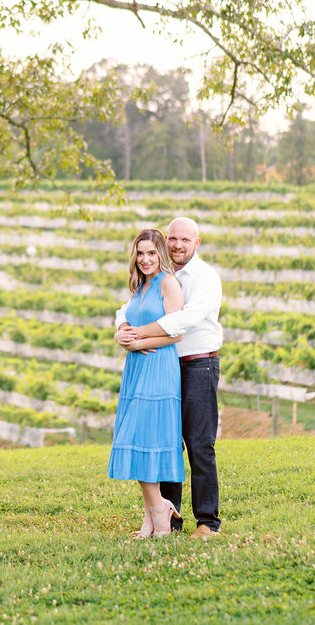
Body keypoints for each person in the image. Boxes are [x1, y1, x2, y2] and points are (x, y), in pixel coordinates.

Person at [115, 217, 223, 539]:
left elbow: (182, 320)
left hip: (198, 365)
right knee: (165, 440)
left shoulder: (204, 278)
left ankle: (207, 522)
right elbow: (128, 308)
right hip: (164, 367)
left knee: (199, 443)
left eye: (185, 240)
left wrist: (138, 337)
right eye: (172, 238)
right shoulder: (157, 274)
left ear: (197, 243)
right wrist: (121, 329)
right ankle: (168, 517)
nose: (177, 244)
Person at [108, 228, 186, 539]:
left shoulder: (168, 283)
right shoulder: (138, 286)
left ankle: (159, 511)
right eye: (140, 253)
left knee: (147, 436)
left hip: (158, 366)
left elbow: (177, 332)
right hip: (136, 369)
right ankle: (152, 515)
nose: (145, 259)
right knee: (138, 439)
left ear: (161, 254)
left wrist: (138, 343)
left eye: (151, 253)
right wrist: (121, 334)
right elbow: (127, 321)